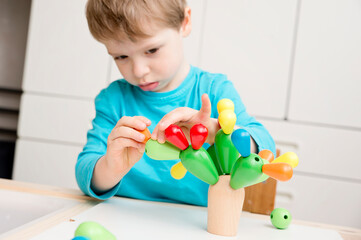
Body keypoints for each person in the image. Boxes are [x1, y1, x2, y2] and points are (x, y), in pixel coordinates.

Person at [76, 0, 276, 206]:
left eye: (151, 50)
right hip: (125, 217)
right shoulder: (113, 99)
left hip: (197, 223)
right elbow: (85, 171)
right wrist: (110, 168)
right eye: (121, 56)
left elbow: (265, 150)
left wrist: (217, 132)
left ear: (185, 22)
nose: (138, 71)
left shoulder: (215, 89)